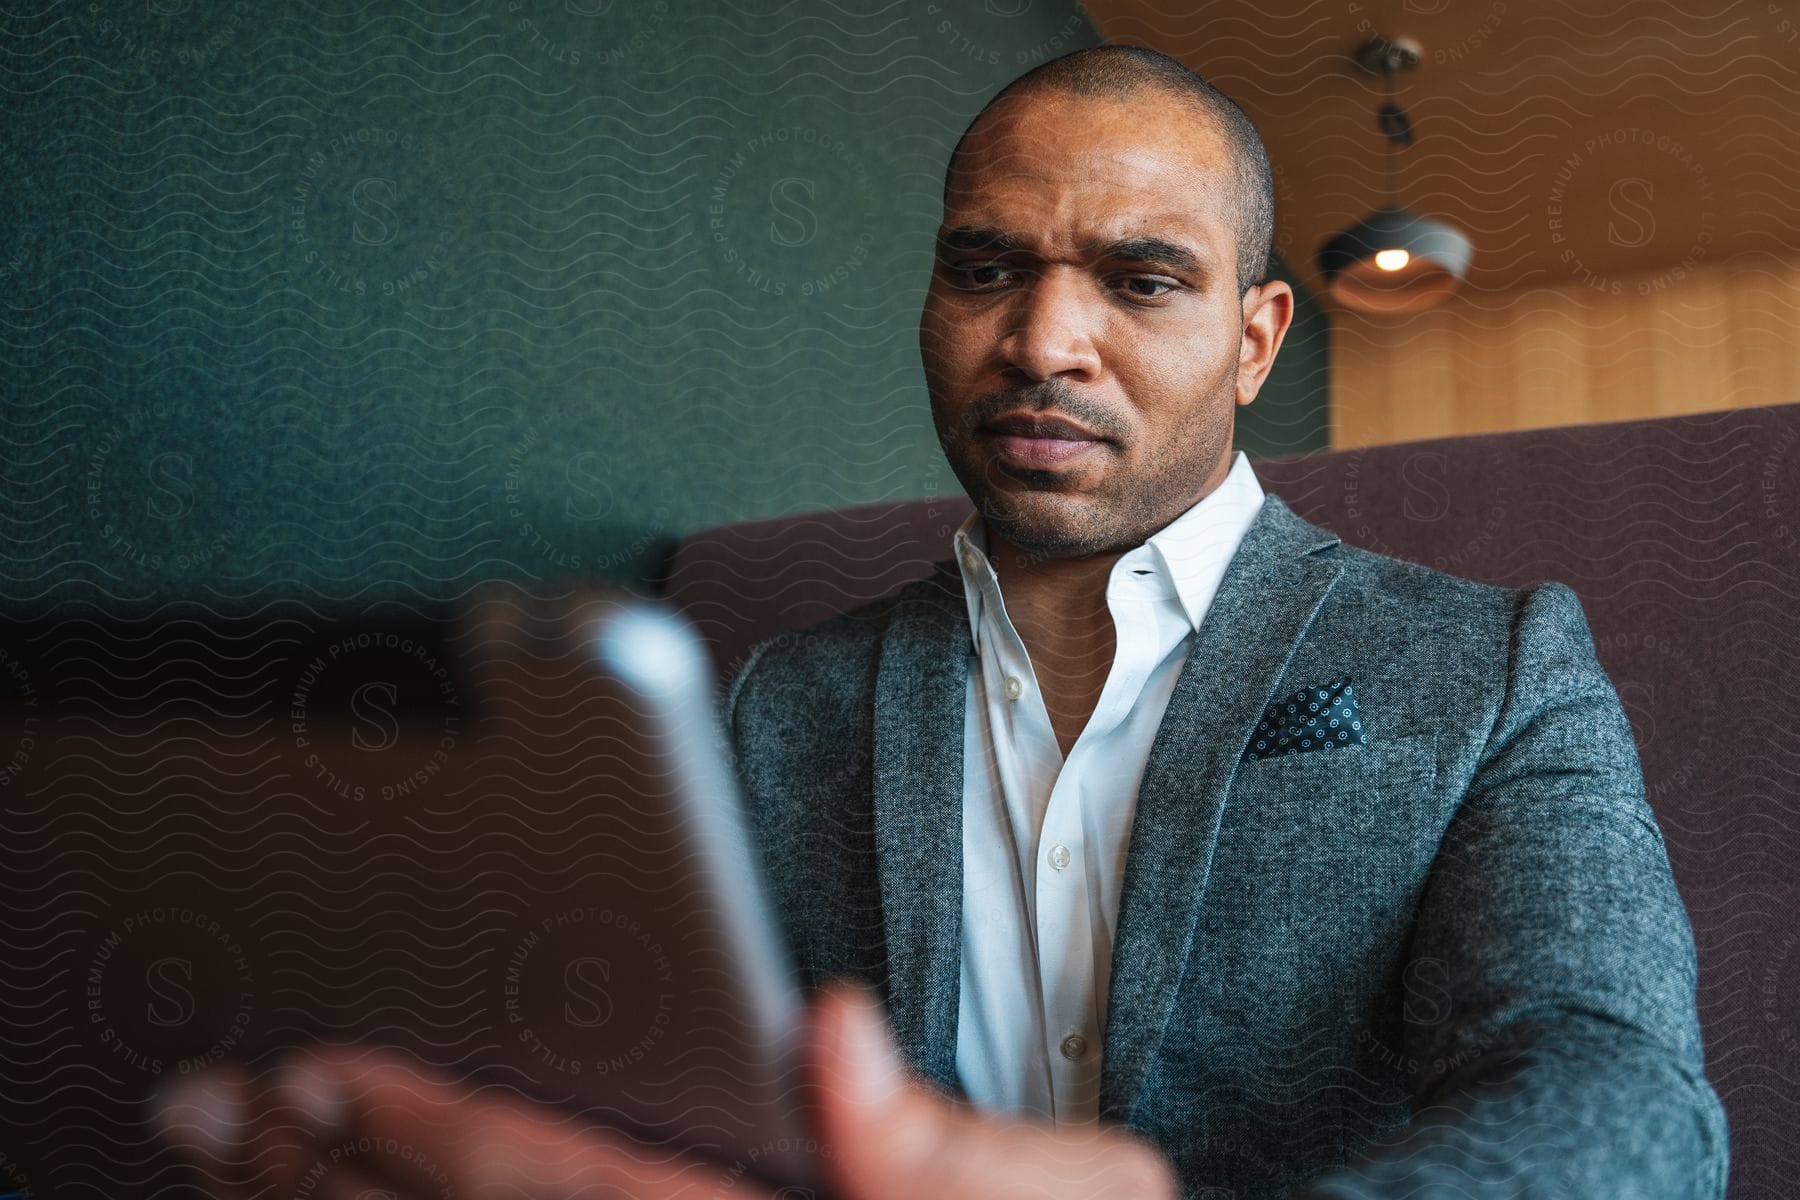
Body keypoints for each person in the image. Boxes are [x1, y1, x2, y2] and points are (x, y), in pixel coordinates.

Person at [152, 43, 1728, 1199]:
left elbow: (1627, 1101)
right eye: (987, 266)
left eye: (1140, 280)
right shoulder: (780, 705)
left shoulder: (1496, 663)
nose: (1042, 338)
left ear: (1256, 340)